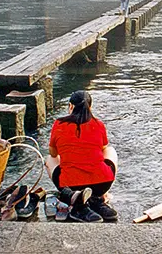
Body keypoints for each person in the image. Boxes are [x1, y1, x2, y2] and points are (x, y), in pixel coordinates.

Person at [46, 91, 118, 222]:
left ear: (70, 106)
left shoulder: (59, 124)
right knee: (110, 150)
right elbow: (102, 149)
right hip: (102, 184)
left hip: (70, 186)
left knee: (49, 159)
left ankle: (77, 201)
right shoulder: (99, 124)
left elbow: (53, 153)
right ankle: (98, 197)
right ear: (90, 107)